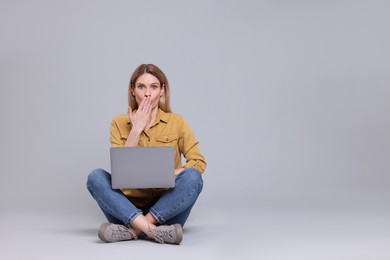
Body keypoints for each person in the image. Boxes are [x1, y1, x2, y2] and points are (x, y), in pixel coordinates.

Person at [86, 64, 206, 245]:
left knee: (193, 177)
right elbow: (122, 171)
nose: (147, 93)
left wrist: (173, 172)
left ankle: (133, 231)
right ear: (133, 91)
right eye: (141, 86)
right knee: (95, 177)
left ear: (162, 91)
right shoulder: (118, 123)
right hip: (127, 210)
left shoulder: (177, 122)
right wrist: (136, 129)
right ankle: (154, 232)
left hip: (167, 209)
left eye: (154, 86)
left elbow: (198, 161)